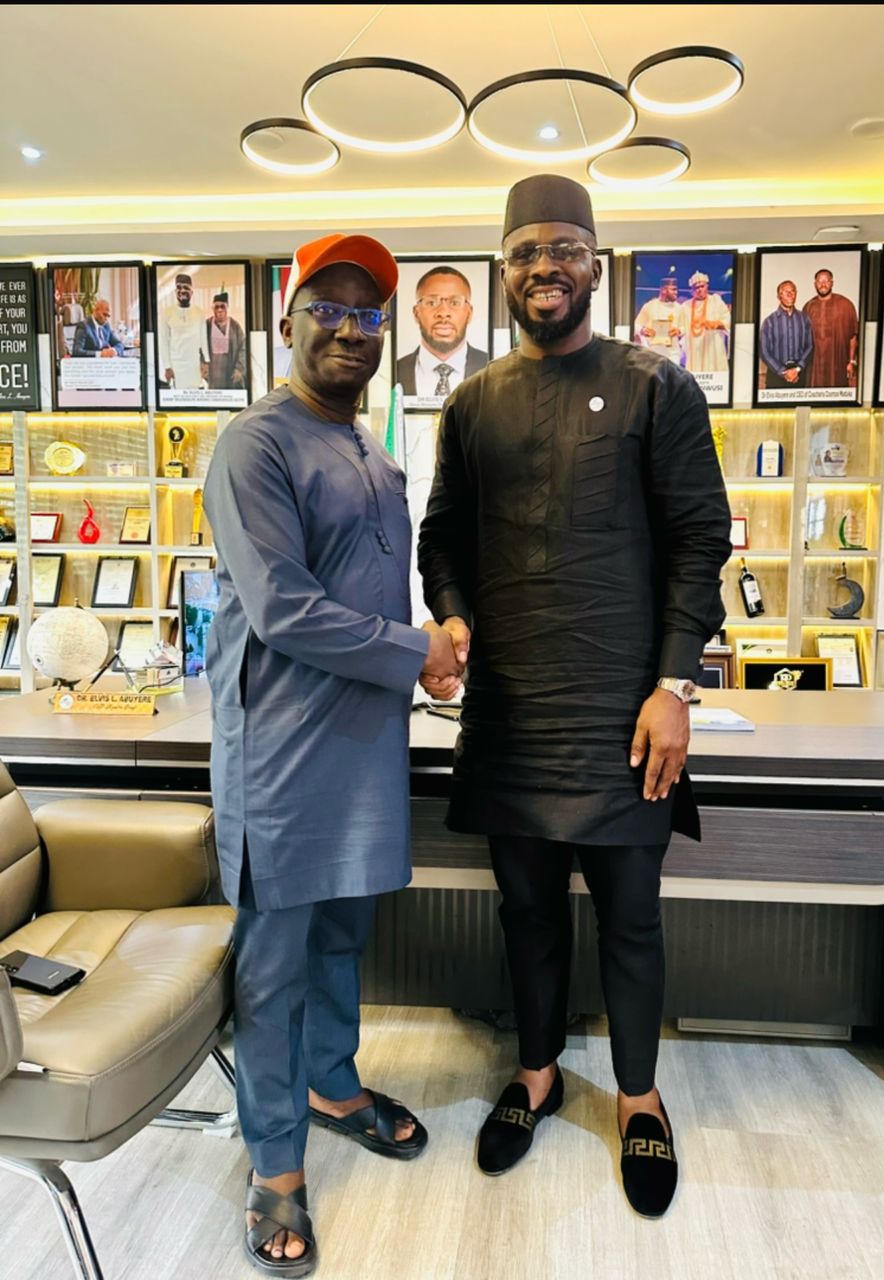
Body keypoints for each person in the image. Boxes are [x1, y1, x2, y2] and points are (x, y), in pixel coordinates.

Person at [418, 175, 731, 1219]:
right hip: (511, 713)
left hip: (624, 713)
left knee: (632, 919)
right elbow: (441, 540)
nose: (543, 267)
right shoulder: (471, 404)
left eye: (563, 248)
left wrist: (674, 683)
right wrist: (452, 617)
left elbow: (700, 539)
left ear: (597, 263)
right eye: (524, 252)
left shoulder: (657, 386)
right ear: (502, 270)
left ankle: (639, 1097)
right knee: (527, 912)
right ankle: (539, 1072)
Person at [204, 232, 461, 1275]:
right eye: (330, 308)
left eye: (369, 313)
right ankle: (274, 1162)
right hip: (280, 751)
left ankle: (333, 1083)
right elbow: (283, 607)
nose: (351, 329)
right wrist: (417, 651)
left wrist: (438, 640)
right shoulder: (254, 445)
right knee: (273, 967)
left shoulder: (375, 453)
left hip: (361, 743)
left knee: (343, 937)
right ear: (287, 321)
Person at [396, 265, 488, 398]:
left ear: (469, 313)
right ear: (416, 313)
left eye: (454, 303)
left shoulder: (493, 369)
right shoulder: (394, 370)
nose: (443, 313)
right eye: (431, 303)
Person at [802, 268, 859, 387]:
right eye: (819, 281)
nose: (823, 284)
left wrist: (851, 361)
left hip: (838, 363)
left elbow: (853, 337)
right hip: (815, 366)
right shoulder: (808, 307)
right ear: (815, 284)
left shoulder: (845, 305)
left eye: (826, 281)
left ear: (832, 283)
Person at [158, 272, 209, 389]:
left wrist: (206, 361)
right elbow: (164, 342)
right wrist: (167, 367)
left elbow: (204, 339)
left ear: (192, 291)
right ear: (175, 291)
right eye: (179, 287)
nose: (182, 291)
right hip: (176, 365)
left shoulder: (199, 312)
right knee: (178, 396)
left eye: (186, 287)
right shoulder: (167, 313)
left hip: (194, 364)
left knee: (194, 395)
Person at [759, 280, 813, 390]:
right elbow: (764, 351)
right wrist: (783, 371)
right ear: (779, 296)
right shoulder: (769, 321)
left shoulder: (804, 319)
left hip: (799, 375)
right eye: (785, 291)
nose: (789, 294)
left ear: (796, 294)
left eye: (792, 291)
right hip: (776, 375)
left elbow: (810, 346)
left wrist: (797, 369)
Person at [679, 271, 730, 372]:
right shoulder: (685, 306)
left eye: (702, 286)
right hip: (694, 349)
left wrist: (716, 324)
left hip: (713, 346)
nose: (699, 290)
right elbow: (682, 326)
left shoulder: (716, 301)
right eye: (696, 288)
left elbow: (727, 320)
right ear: (691, 291)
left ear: (707, 286)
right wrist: (678, 331)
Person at [633, 276, 684, 365]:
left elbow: (685, 327)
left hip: (672, 353)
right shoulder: (649, 306)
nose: (676, 292)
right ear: (663, 290)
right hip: (652, 352)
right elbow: (636, 325)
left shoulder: (679, 308)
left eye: (676, 289)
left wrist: (679, 331)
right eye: (673, 289)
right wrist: (643, 330)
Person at [205, 291, 247, 389]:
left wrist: (239, 369)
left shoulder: (235, 327)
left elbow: (243, 348)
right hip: (212, 375)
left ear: (227, 307)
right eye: (216, 307)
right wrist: (202, 365)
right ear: (213, 308)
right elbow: (198, 346)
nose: (219, 310)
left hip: (229, 373)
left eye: (222, 306)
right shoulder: (206, 325)